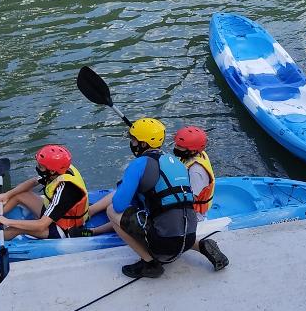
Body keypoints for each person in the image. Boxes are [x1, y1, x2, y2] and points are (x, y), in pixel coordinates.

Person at [95, 117, 228, 278]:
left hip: (163, 244)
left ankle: (150, 264)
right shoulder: (178, 163)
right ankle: (202, 245)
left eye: (134, 140)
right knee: (174, 224)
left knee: (111, 211)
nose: (132, 143)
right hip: (190, 232)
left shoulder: (139, 164)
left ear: (143, 144)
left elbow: (118, 205)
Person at [0, 144, 89, 241]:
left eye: (40, 166)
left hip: (62, 229)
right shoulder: (59, 170)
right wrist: (8, 194)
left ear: (52, 170)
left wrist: (9, 221)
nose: (37, 167)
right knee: (20, 194)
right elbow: (34, 181)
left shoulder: (65, 190)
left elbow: (42, 224)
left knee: (16, 227)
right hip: (55, 214)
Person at [172, 126, 215, 220]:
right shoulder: (197, 154)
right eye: (176, 144)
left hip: (194, 215)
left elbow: (191, 199)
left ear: (193, 151)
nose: (176, 147)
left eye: (180, 146)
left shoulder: (196, 171)